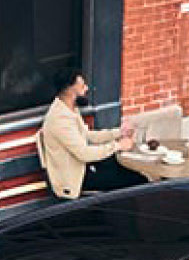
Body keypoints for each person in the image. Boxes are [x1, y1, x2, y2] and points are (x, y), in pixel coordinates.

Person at [36, 67, 141, 199]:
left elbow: (88, 136)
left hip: (83, 168)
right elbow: (84, 153)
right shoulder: (60, 120)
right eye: (82, 86)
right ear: (69, 89)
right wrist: (118, 146)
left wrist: (119, 133)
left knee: (127, 170)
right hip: (75, 180)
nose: (87, 88)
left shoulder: (69, 109)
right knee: (134, 180)